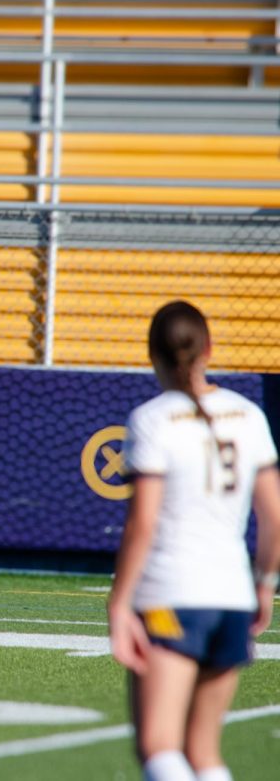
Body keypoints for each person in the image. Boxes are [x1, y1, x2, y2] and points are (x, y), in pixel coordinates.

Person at [107, 300, 280, 781]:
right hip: (231, 598)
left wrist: (119, 605)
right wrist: (263, 586)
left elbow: (142, 523)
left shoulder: (151, 418)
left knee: (160, 746)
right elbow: (276, 519)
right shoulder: (248, 414)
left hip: (171, 595)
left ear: (152, 355)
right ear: (209, 348)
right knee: (204, 754)